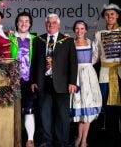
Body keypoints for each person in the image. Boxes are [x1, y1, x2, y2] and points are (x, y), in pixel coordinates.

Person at [31, 13, 78, 147]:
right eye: (48, 23)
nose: (51, 25)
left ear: (59, 24)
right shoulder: (39, 40)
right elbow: (34, 62)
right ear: (45, 24)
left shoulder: (68, 41)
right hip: (43, 82)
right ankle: (47, 140)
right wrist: (34, 80)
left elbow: (73, 63)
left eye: (53, 23)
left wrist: (72, 82)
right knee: (45, 114)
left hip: (62, 83)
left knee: (62, 115)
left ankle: (62, 141)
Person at [70, 20, 102, 147]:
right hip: (76, 76)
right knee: (80, 107)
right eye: (77, 28)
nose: (79, 31)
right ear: (74, 30)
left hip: (88, 76)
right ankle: (79, 137)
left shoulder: (90, 43)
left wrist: (87, 68)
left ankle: (84, 140)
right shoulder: (71, 43)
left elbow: (95, 57)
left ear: (86, 30)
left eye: (82, 28)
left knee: (88, 106)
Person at [93, 3, 121, 146]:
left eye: (112, 14)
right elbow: (94, 56)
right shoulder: (99, 34)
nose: (110, 17)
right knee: (109, 108)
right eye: (107, 14)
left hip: (120, 73)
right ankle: (112, 137)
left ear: (117, 16)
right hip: (105, 75)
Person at [9, 12, 36, 147]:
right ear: (17, 23)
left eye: (27, 21)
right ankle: (14, 137)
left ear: (30, 24)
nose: (24, 23)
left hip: (29, 80)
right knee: (13, 109)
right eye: (21, 21)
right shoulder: (9, 39)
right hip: (13, 80)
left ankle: (30, 139)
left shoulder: (36, 40)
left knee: (29, 108)